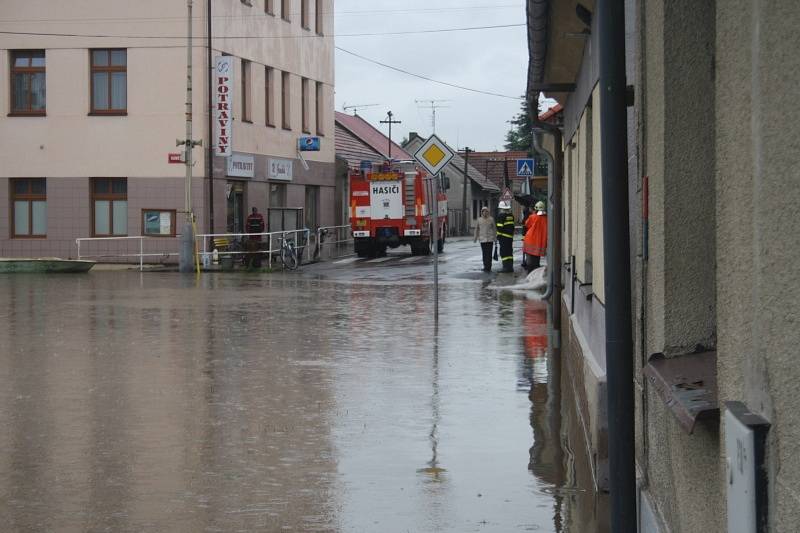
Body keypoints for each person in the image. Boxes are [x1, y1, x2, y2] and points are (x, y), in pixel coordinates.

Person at [523, 200, 548, 273]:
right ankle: (536, 273)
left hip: (530, 241)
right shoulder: (547, 218)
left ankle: (530, 274)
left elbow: (527, 224)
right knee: (537, 260)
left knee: (530, 260)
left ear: (536, 209)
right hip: (540, 242)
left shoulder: (532, 217)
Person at [473, 206, 497, 272]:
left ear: (488, 212)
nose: (485, 212)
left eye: (486, 211)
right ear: (481, 212)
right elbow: (476, 229)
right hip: (482, 240)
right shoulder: (479, 220)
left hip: (490, 239)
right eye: (483, 211)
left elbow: (494, 229)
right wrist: (475, 237)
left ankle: (489, 266)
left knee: (489, 254)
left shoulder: (491, 219)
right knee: (484, 253)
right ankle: (485, 266)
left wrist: (495, 238)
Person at [496, 200, 516, 273]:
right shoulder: (511, 216)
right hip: (510, 237)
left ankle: (505, 267)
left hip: (503, 237)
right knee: (509, 252)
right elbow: (512, 226)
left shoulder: (501, 215)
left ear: (501, 208)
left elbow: (499, 227)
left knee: (504, 252)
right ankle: (510, 267)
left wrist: (498, 235)